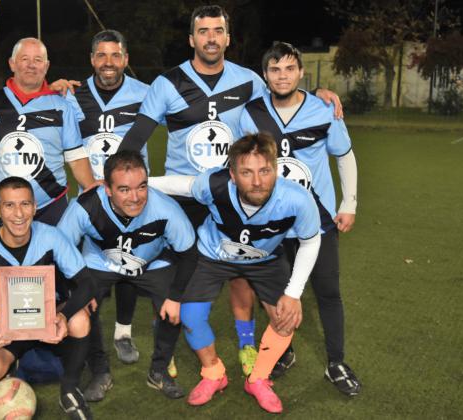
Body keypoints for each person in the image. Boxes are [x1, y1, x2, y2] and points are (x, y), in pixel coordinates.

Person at [118, 4, 342, 229]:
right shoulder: (167, 83)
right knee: (184, 260)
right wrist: (114, 175)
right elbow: (137, 136)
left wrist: (312, 96)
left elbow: (280, 103)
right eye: (203, 31)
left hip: (232, 195)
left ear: (227, 38)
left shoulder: (248, 81)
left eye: (218, 31)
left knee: (233, 262)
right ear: (191, 40)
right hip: (183, 195)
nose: (211, 38)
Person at [149, 133, 321, 413]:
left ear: (275, 169)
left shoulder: (297, 199)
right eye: (246, 172)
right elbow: (181, 185)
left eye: (265, 171)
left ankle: (259, 379)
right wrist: (142, 184)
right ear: (232, 174)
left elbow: (311, 241)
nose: (257, 181)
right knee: (190, 317)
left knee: (286, 317)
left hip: (266, 259)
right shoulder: (214, 185)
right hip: (212, 256)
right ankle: (213, 373)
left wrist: (293, 293)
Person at [230, 41, 360, 395]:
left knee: (327, 292)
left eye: (289, 68)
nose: (282, 76)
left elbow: (344, 156)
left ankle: (336, 362)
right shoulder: (251, 113)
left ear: (301, 72)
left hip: (316, 220)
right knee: (273, 293)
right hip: (269, 220)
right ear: (265, 75)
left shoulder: (322, 109)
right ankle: (283, 350)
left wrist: (348, 203)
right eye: (275, 69)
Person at [57, 150, 197, 401]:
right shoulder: (86, 206)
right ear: (107, 189)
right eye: (124, 189)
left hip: (151, 263)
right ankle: (100, 372)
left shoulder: (165, 208)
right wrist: (78, 290)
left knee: (174, 309)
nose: (135, 197)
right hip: (100, 262)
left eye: (141, 187)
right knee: (81, 309)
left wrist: (175, 298)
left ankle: (159, 370)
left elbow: (188, 254)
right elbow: (59, 250)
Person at [0, 177, 97, 420]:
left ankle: (70, 387)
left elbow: (87, 283)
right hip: (5, 332)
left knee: (80, 319)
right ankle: (20, 364)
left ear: (34, 207)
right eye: (9, 205)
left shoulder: (51, 237)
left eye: (25, 204)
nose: (18, 214)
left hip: (48, 322)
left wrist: (62, 315)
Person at [55, 29, 155, 369]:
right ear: (91, 59)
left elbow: (196, 114)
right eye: (101, 55)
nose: (108, 62)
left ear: (126, 59)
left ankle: (123, 332)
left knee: (128, 266)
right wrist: (48, 88)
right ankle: (87, 338)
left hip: (132, 198)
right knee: (87, 272)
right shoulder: (72, 96)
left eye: (115, 55)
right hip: (91, 199)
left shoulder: (147, 93)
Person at [0, 37, 97, 229]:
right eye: (24, 59)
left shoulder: (62, 106)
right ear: (12, 64)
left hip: (51, 204)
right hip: (3, 206)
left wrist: (93, 191)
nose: (31, 66)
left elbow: (76, 158)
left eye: (38, 60)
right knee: (3, 259)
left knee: (54, 259)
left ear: (46, 66)